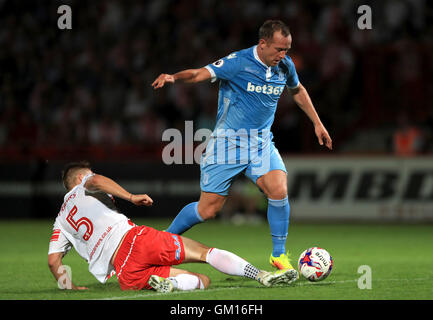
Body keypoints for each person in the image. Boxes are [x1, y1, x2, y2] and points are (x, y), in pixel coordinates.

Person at [151, 20, 332, 273]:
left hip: (260, 144)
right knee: (208, 210)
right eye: (279, 49)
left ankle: (278, 256)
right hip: (227, 144)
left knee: (279, 190)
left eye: (287, 50)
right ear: (263, 43)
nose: (283, 55)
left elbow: (298, 90)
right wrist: (173, 77)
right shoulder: (237, 63)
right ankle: (158, 242)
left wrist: (317, 123)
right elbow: (198, 74)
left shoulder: (285, 66)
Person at [47, 161, 298, 292]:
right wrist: (131, 197)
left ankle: (170, 285)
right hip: (134, 240)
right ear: (80, 179)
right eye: (89, 173)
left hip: (125, 272)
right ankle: (261, 275)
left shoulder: (60, 219)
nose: (92, 175)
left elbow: (54, 261)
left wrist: (68, 286)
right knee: (204, 254)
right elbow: (98, 180)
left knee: (201, 282)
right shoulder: (84, 184)